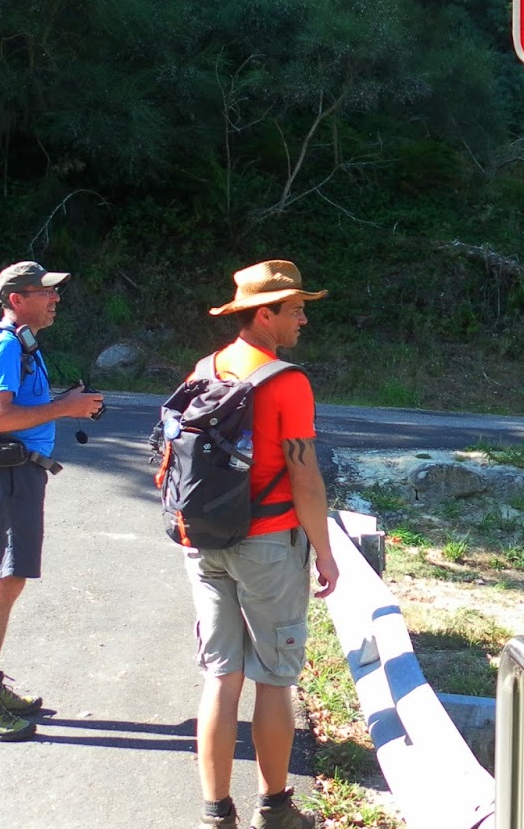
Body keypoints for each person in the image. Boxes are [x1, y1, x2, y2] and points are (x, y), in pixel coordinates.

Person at [185, 260, 340, 829]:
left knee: (221, 675)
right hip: (269, 544)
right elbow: (305, 477)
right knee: (275, 677)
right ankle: (274, 809)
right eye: (295, 309)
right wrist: (325, 552)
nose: (303, 318)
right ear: (264, 315)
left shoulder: (207, 367)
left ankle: (215, 812)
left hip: (204, 542)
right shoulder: (286, 381)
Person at [0, 261, 104, 742]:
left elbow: (19, 407)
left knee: (3, 576)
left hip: (18, 473)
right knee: (6, 578)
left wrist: (65, 401)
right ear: (17, 299)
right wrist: (65, 408)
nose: (55, 299)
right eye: (46, 292)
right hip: (9, 474)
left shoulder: (22, 343)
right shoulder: (4, 346)